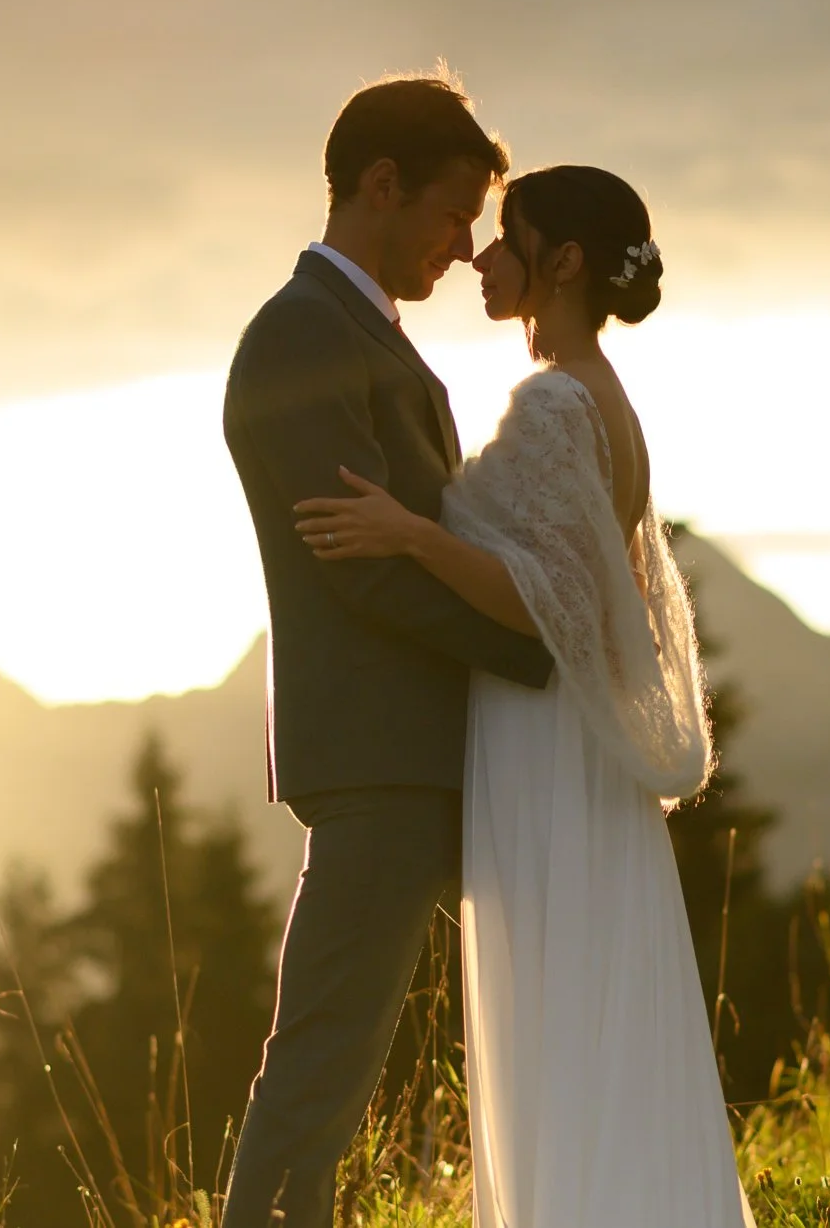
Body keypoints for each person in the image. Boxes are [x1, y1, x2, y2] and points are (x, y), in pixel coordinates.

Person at [293, 165, 756, 1227]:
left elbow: (546, 599)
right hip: (576, 743)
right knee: (591, 994)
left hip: (546, 737)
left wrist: (409, 534)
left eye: (510, 239)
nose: (482, 259)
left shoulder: (553, 403)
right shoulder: (604, 398)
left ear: (566, 263)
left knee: (554, 995)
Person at [219, 73, 555, 1228]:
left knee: (384, 1051)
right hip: (380, 764)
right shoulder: (297, 337)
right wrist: (539, 650)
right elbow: (359, 566)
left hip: (429, 754)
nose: (467, 247)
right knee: (319, 1066)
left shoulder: (363, 335)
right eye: (454, 212)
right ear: (380, 185)